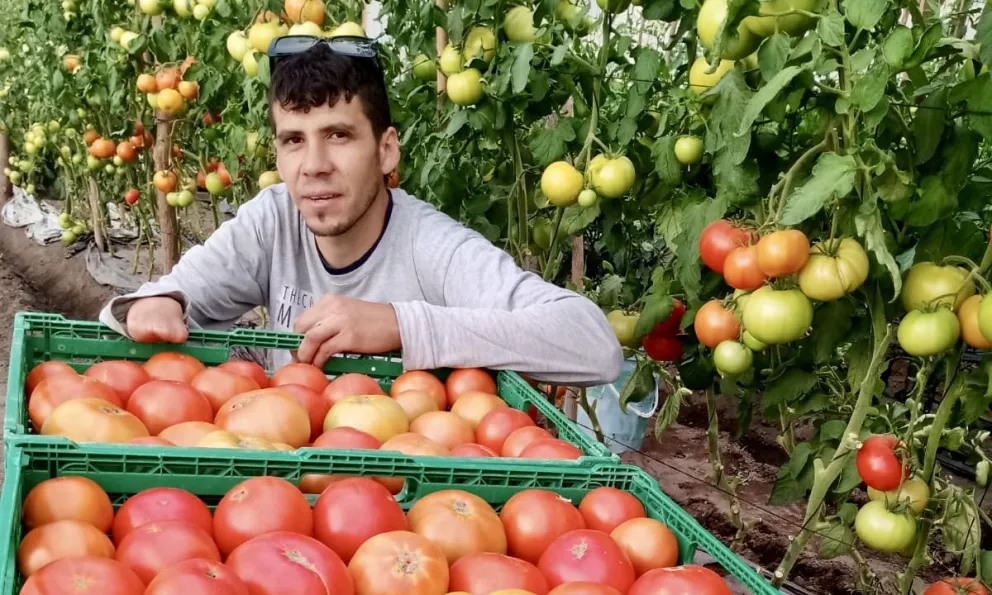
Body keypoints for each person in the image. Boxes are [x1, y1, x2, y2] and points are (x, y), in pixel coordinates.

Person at [98, 34, 623, 386]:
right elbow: (158, 298)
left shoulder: (429, 247)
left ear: (386, 150)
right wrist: (155, 305)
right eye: (294, 141)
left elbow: (593, 344)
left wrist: (402, 325)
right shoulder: (273, 220)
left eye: (339, 135)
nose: (314, 165)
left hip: (410, 518)